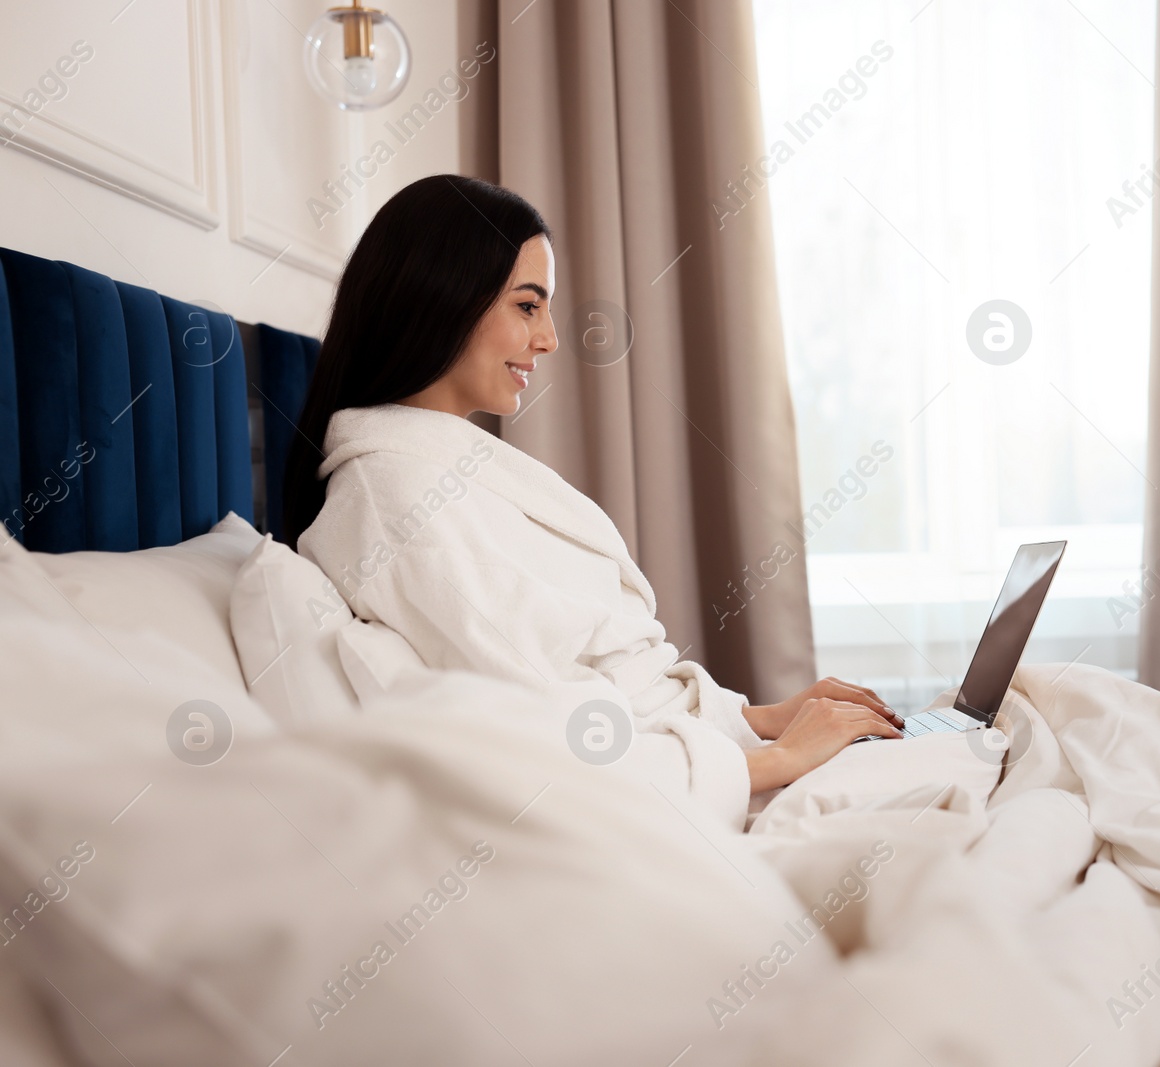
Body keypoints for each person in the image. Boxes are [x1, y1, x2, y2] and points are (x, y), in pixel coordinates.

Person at [284, 175, 902, 827]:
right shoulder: (392, 499)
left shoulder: (451, 466)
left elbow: (608, 669)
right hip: (684, 795)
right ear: (442, 296)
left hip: (710, 758)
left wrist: (764, 719)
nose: (549, 339)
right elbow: (548, 738)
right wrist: (777, 759)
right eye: (528, 306)